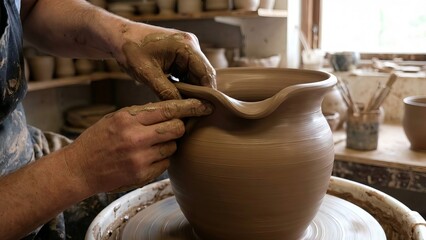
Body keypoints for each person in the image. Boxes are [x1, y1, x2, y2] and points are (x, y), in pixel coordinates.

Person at [0, 0, 216, 239]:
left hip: (23, 146)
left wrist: (125, 35)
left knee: (173, 176)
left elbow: (32, 6)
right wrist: (76, 168)